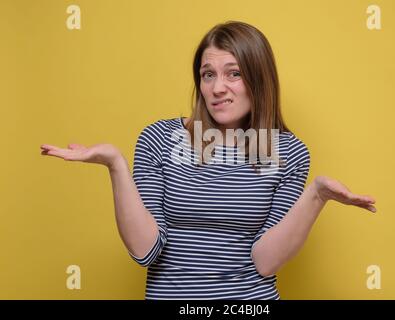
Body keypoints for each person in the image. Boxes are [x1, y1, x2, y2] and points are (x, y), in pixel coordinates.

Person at [40, 21, 376, 300]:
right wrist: (115, 165)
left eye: (234, 73)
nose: (217, 88)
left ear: (259, 79)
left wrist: (316, 196)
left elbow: (265, 262)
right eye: (208, 74)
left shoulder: (288, 152)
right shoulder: (159, 139)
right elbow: (146, 252)